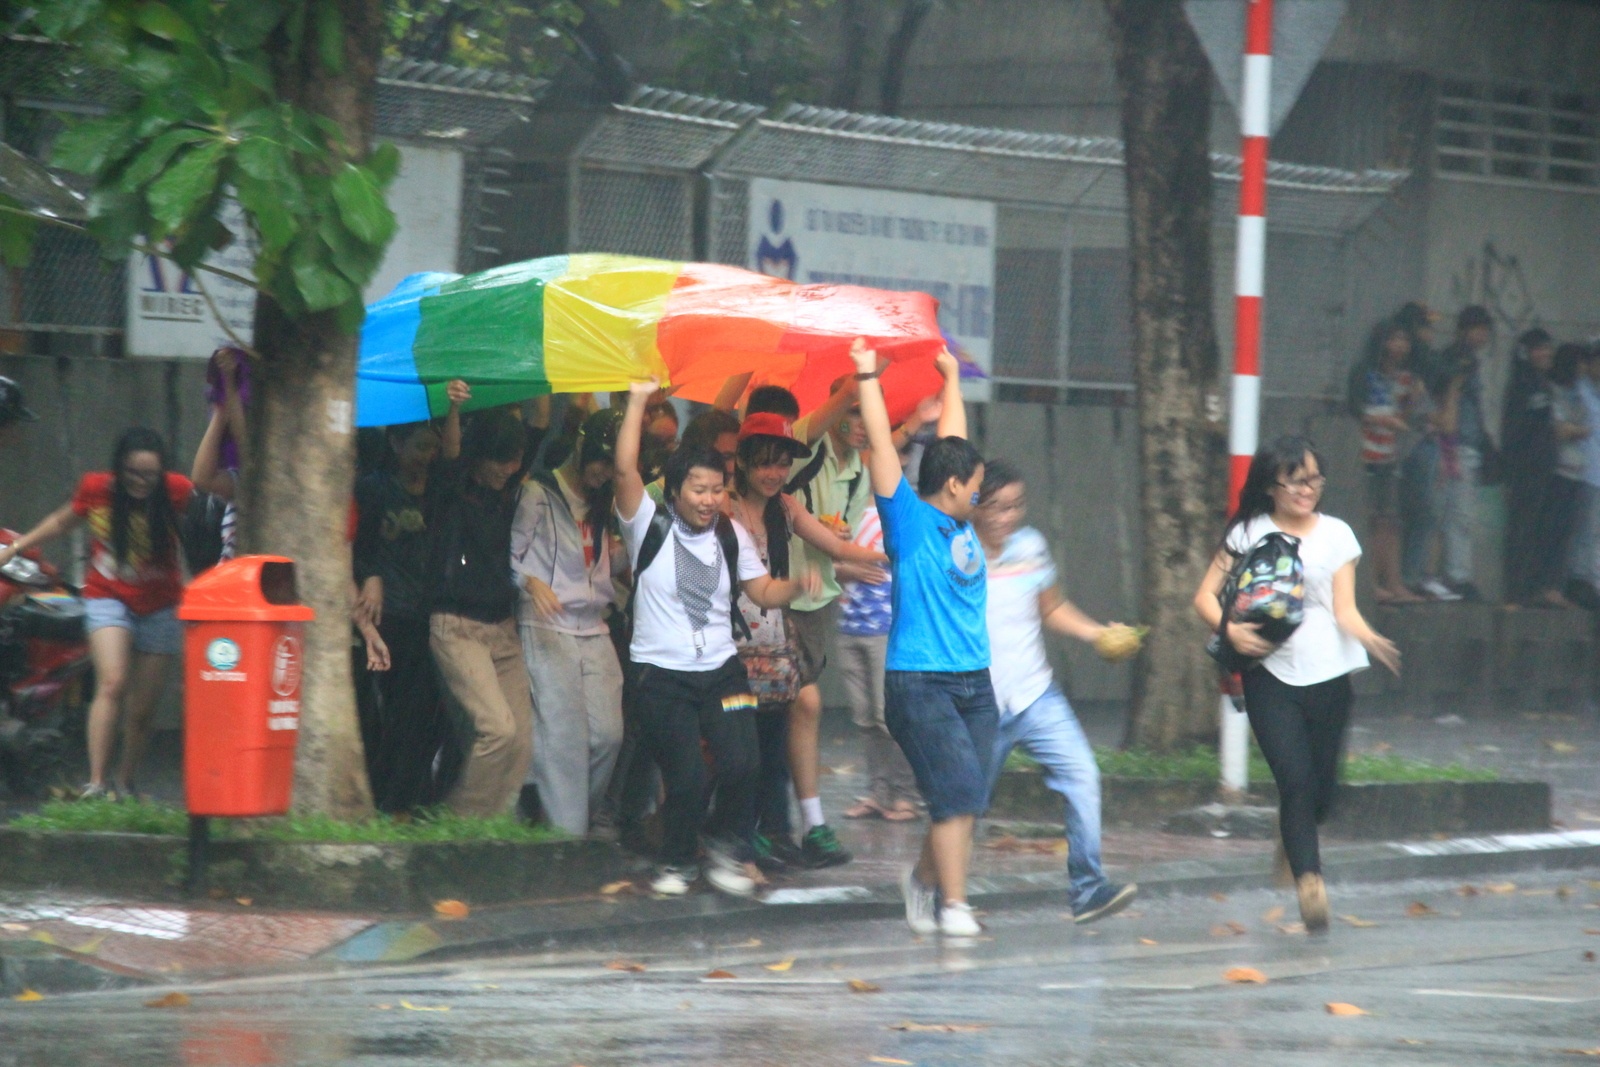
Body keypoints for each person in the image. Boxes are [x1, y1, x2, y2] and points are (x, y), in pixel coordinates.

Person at [612, 380, 817, 897]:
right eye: (699, 490)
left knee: (743, 762)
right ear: (676, 490)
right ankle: (677, 861)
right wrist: (637, 401)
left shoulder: (731, 533)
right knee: (687, 778)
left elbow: (763, 590)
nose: (709, 500)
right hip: (661, 677)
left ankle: (730, 849)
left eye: (717, 490)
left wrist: (795, 585)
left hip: (723, 671)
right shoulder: (646, 526)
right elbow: (624, 471)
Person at [1193, 435, 1400, 932]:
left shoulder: (1338, 535)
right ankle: (1311, 884)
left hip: (1330, 676)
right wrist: (1230, 629)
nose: (1308, 490)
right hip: (1269, 676)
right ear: (1271, 485)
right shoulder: (1247, 532)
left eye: (1314, 479)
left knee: (1321, 793)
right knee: (1295, 779)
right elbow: (1204, 595)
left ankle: (1293, 837)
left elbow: (1345, 609)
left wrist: (1370, 637)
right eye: (1296, 480)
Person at [853, 339, 994, 938]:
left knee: (966, 799)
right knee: (956, 794)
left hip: (975, 680)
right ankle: (954, 906)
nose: (982, 498)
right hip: (920, 681)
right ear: (957, 486)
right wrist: (866, 376)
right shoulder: (908, 522)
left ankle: (922, 880)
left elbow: (952, 444)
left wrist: (951, 382)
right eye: (977, 487)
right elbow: (884, 448)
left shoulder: (960, 519)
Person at [972, 460, 1138, 923]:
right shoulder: (954, 550)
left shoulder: (1031, 546)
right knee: (963, 807)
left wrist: (1097, 634)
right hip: (977, 702)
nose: (1009, 517)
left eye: (1017, 506)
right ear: (973, 506)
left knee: (1083, 775)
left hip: (1035, 694)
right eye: (997, 507)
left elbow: (1052, 606)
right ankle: (936, 891)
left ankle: (1088, 890)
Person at [721, 412, 886, 869]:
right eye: (764, 463)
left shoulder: (788, 507)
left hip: (772, 646)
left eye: (780, 464)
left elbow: (836, 549)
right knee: (740, 750)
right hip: (726, 647)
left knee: (771, 743)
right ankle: (737, 839)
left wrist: (897, 554)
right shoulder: (723, 508)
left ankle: (768, 839)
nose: (773, 473)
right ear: (744, 461)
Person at [0, 428, 193, 798]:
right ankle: (97, 781)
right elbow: (61, 521)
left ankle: (125, 782)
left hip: (161, 603)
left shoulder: (177, 491)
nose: (141, 482)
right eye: (132, 474)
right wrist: (17, 547)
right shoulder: (97, 489)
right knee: (112, 682)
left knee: (143, 707)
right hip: (108, 595)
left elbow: (207, 524)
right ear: (119, 469)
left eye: (150, 475)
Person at [511, 408, 627, 837]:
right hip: (545, 623)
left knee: (608, 736)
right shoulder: (537, 493)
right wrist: (529, 581)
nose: (603, 475)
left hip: (593, 624)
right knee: (562, 738)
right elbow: (509, 553)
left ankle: (567, 821)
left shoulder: (605, 502)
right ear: (583, 449)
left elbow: (605, 563)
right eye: (602, 464)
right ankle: (566, 840)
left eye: (613, 469)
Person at [352, 387, 465, 812]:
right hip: (387, 616)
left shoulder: (438, 487)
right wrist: (371, 576)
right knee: (390, 714)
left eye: (431, 448)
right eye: (418, 447)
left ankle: (411, 799)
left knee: (425, 715)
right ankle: (385, 799)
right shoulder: (374, 489)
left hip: (429, 613)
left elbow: (454, 456)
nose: (427, 456)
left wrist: (454, 407)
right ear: (396, 445)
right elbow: (356, 548)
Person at [425, 403, 534, 817]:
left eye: (516, 460)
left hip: (502, 628)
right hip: (457, 627)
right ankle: (462, 823)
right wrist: (454, 408)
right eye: (501, 460)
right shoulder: (449, 490)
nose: (509, 468)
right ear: (480, 454)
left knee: (521, 738)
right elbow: (452, 455)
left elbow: (537, 426)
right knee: (497, 730)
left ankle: (493, 824)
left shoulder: (507, 495)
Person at [836, 497, 917, 822]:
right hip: (848, 625)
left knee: (889, 718)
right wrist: (847, 568)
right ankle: (878, 793)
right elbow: (824, 561)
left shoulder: (899, 510)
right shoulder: (840, 509)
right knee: (865, 720)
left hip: (885, 628)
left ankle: (906, 796)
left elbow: (907, 558)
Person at [1350, 319, 1427, 604]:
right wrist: (1381, 420)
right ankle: (1373, 584)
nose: (1400, 346)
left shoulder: (1405, 378)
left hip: (1390, 454)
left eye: (1404, 340)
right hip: (1366, 453)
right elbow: (1355, 409)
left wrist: (1411, 402)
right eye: (1394, 339)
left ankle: (1393, 583)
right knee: (1372, 520)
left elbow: (1403, 419)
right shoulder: (1365, 373)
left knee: (1390, 521)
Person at [1426, 305, 1497, 601]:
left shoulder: (1466, 361)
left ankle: (1455, 574)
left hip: (1466, 443)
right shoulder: (1456, 361)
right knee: (1457, 514)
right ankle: (1457, 576)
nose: (1482, 336)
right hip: (1455, 444)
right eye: (1477, 329)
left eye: (1485, 330)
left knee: (1458, 514)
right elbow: (1449, 400)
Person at [1528, 344, 1591, 608]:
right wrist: (1577, 430)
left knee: (1568, 534)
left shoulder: (1579, 394)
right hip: (1556, 472)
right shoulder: (1551, 391)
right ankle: (1544, 586)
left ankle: (1558, 586)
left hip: (1577, 472)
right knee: (1551, 531)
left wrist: (1577, 429)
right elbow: (1559, 430)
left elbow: (1583, 426)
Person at [1501, 329, 1558, 603]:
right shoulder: (1523, 384)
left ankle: (1530, 586)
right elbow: (1516, 430)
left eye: (1547, 348)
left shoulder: (1542, 382)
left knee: (1537, 529)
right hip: (1526, 469)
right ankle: (1517, 589)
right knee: (1522, 529)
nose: (1545, 354)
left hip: (1543, 468)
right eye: (1539, 349)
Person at [190, 347, 250, 564]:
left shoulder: (260, 477)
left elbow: (246, 446)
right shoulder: (239, 479)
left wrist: (230, 384)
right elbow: (201, 478)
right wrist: (221, 405)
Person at [1567, 345, 1600, 607]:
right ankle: (1579, 579)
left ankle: (1590, 579)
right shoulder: (1578, 391)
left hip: (1596, 472)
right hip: (1584, 471)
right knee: (1583, 530)